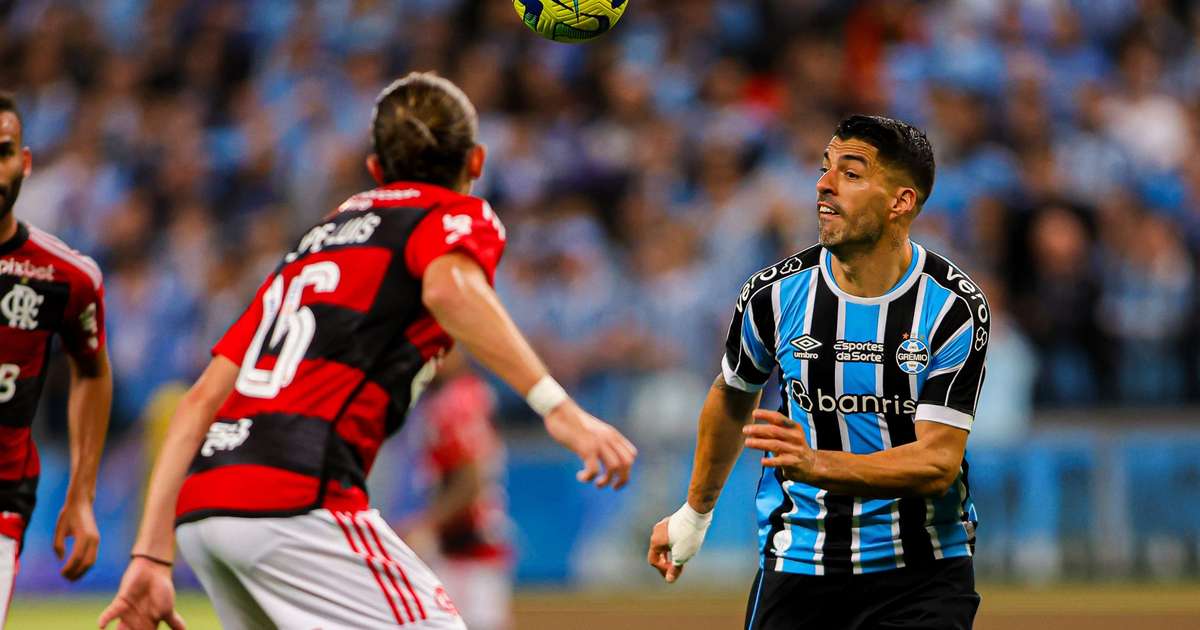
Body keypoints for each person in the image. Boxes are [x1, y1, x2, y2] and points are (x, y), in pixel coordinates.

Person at [99, 72, 637, 630]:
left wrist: (150, 552)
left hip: (207, 506)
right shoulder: (448, 215)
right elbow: (449, 288)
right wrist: (558, 407)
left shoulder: (310, 248)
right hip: (298, 499)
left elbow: (198, 403)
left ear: (376, 169)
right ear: (475, 162)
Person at [648, 115, 988, 630]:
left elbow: (937, 461)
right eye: (825, 168)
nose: (823, 185)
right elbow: (733, 393)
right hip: (797, 565)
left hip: (922, 573)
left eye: (851, 174)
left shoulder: (954, 307)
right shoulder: (774, 294)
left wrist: (818, 463)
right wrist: (695, 513)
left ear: (901, 202)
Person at [0, 92, 113, 624]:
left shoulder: (66, 278)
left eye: (2, 152)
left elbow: (92, 372)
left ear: (24, 163)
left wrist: (83, 494)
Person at [401, 349, 514, 630]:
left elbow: (470, 481)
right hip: (472, 539)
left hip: (466, 546)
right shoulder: (471, 392)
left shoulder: (454, 402)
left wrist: (427, 524)